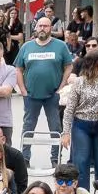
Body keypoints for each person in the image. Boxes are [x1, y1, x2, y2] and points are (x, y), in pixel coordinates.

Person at [17, 15, 74, 166]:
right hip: (31, 95)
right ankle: (25, 158)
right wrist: (22, 90)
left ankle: (55, 159)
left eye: (46, 26)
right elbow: (18, 69)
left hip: (52, 95)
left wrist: (61, 87)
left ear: (51, 28)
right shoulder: (26, 47)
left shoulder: (60, 46)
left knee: (55, 128)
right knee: (28, 127)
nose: (42, 28)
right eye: (40, 26)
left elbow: (69, 66)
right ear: (36, 28)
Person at [57, 50, 98, 191]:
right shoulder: (79, 82)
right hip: (81, 126)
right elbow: (69, 109)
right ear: (94, 63)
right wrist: (66, 133)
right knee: (81, 165)